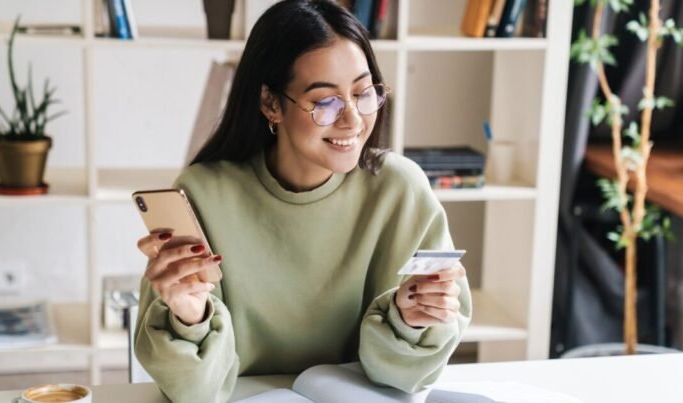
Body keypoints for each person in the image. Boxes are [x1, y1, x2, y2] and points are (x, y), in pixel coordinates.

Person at [134, 1, 471, 401]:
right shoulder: (204, 194)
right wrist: (190, 317)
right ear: (271, 103)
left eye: (363, 93)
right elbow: (195, 392)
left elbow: (406, 377)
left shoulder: (401, 190)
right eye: (325, 102)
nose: (353, 120)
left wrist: (412, 319)